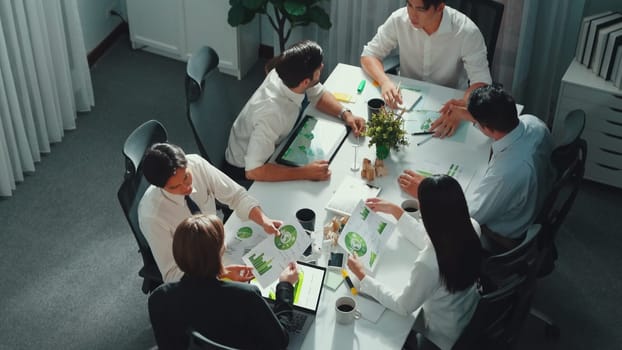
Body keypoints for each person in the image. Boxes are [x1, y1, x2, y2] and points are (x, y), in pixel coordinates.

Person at [398, 85, 553, 250]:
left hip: (502, 237)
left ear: (486, 127)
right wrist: (468, 115)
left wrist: (427, 191)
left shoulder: (506, 174)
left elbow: (465, 218)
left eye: (478, 123)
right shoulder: (534, 122)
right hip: (534, 198)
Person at [347, 175, 482, 350]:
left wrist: (363, 277)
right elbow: (433, 239)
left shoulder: (429, 264)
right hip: (467, 313)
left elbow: (403, 306)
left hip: (440, 337)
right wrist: (397, 212)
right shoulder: (472, 226)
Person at [148, 214, 299, 350]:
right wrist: (285, 286)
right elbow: (279, 341)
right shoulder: (246, 297)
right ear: (221, 250)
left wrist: (221, 272)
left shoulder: (159, 298)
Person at [138, 142, 282, 283]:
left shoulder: (196, 164)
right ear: (160, 187)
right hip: (198, 270)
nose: (186, 187)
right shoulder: (152, 217)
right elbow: (172, 275)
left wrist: (264, 220)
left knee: (278, 263)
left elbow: (237, 196)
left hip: (222, 244)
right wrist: (219, 273)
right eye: (175, 187)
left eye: (186, 177)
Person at [225, 40, 366, 182]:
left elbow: (318, 94)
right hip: (245, 171)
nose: (322, 66)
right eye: (319, 66)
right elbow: (253, 171)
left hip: (273, 146)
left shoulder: (288, 73)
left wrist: (346, 114)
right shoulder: (272, 113)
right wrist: (305, 172)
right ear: (305, 81)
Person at [360, 0, 492, 137]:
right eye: (409, 5)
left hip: (448, 104)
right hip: (406, 101)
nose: (412, 14)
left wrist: (463, 106)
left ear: (440, 7)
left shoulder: (467, 32)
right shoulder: (399, 19)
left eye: (420, 9)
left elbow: (481, 82)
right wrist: (384, 81)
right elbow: (369, 55)